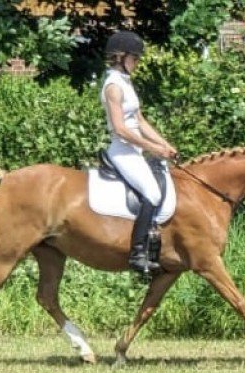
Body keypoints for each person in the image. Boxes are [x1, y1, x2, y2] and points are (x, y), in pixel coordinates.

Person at [100, 30, 178, 273]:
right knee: (152, 194)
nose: (138, 62)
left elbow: (140, 121)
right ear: (121, 57)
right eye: (135, 58)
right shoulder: (113, 86)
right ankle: (137, 253)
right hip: (122, 150)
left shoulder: (125, 81)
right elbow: (121, 129)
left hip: (135, 150)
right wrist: (153, 147)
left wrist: (165, 144)